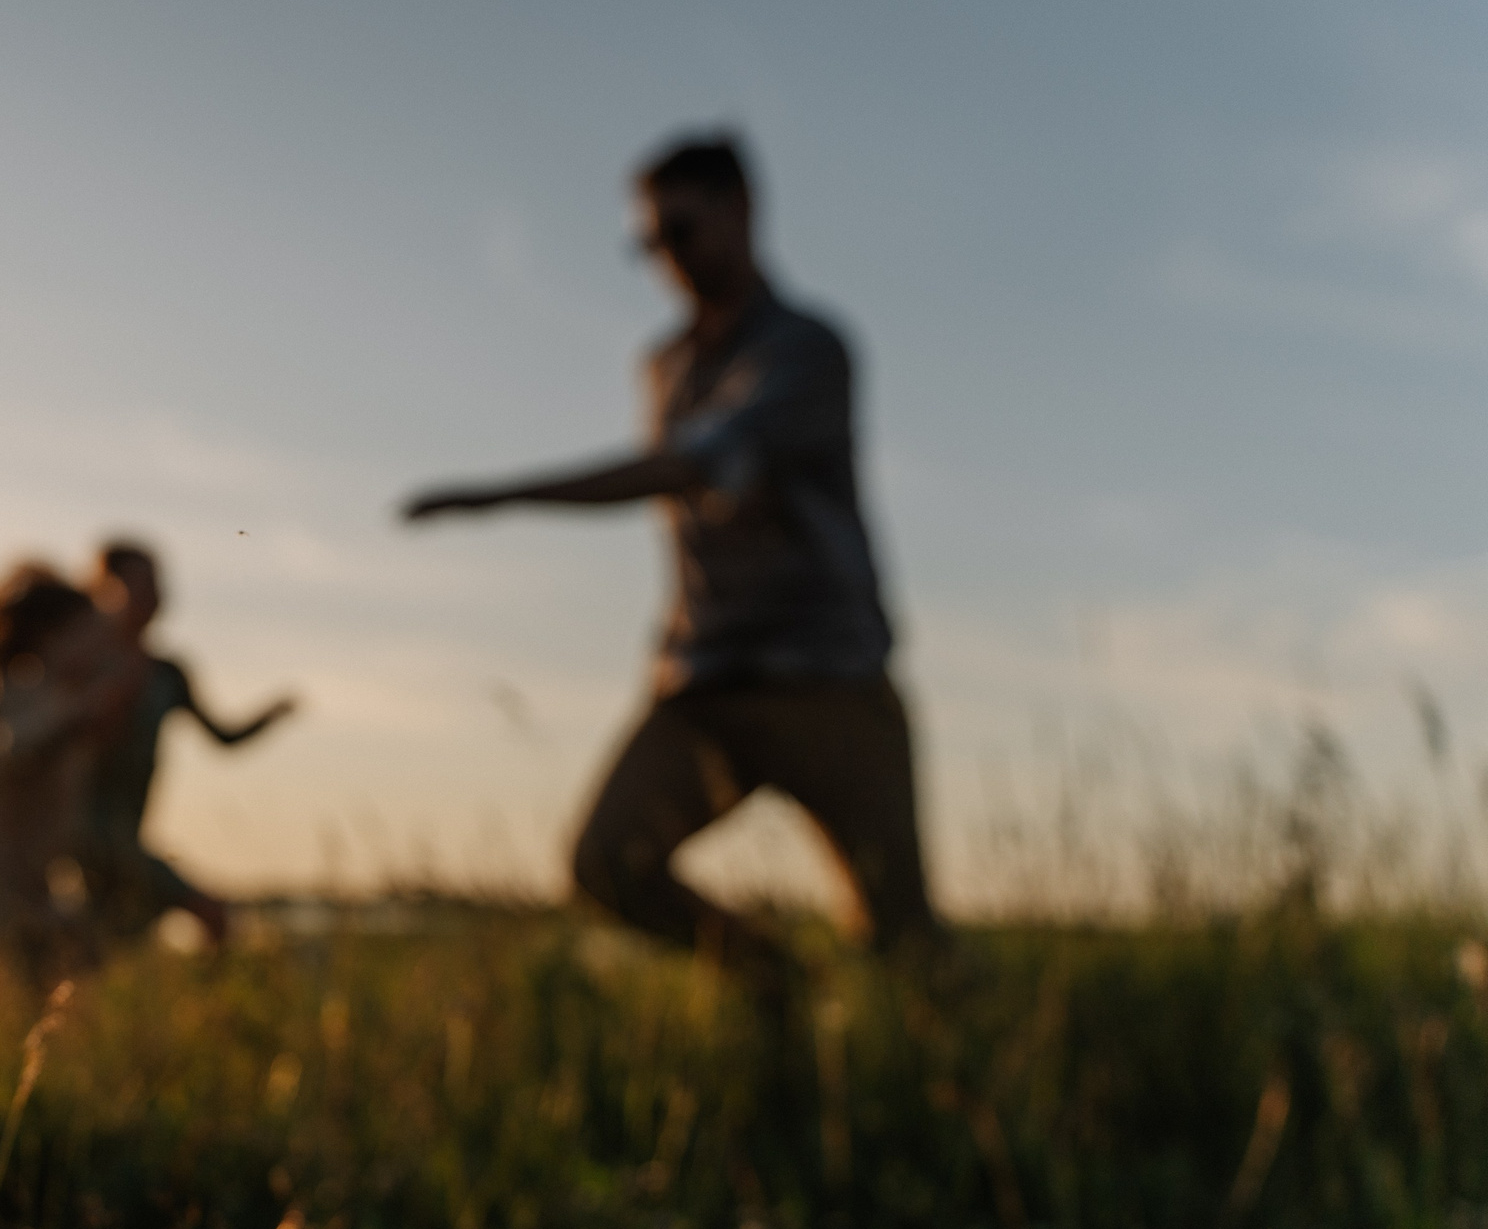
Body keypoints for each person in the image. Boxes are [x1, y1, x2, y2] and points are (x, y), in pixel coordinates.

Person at [403, 133, 938, 982]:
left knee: (904, 943)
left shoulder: (807, 349)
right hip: (702, 683)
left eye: (680, 230)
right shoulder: (665, 365)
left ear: (743, 209)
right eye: (648, 242)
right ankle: (778, 985)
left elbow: (690, 464)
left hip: (828, 682)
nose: (666, 257)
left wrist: (500, 495)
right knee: (606, 863)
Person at [76, 541, 296, 948]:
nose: (154, 595)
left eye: (158, 584)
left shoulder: (167, 674)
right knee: (209, 912)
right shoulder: (79, 665)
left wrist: (271, 716)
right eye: (140, 584)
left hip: (130, 837)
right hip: (80, 837)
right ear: (104, 589)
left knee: (100, 947)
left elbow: (223, 737)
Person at [0, 563, 146, 983]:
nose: (98, 646)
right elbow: (16, 745)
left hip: (42, 877)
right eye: (88, 635)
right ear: (51, 638)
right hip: (3, 871)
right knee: (18, 975)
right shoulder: (20, 688)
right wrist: (78, 715)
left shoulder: (67, 697)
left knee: (73, 965)